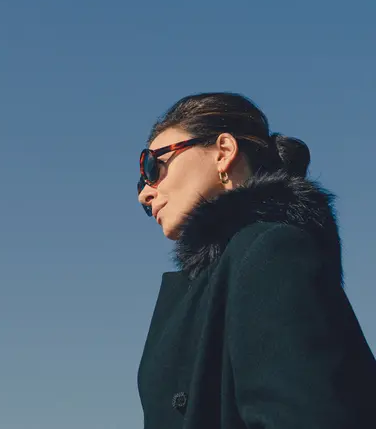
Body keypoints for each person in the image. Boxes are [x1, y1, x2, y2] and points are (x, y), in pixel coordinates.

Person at [135, 92, 376, 428]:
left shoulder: (271, 252)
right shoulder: (216, 279)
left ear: (223, 152)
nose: (145, 193)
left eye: (153, 166)